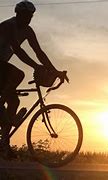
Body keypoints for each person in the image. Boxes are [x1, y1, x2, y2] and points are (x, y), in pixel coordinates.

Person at [0, 0, 65, 159]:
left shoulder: (28, 31)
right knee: (18, 74)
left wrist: (55, 71)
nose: (28, 19)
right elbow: (18, 50)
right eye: (25, 15)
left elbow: (39, 52)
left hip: (1, 66)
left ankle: (4, 145)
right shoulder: (9, 25)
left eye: (30, 16)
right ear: (17, 14)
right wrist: (36, 66)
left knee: (14, 102)